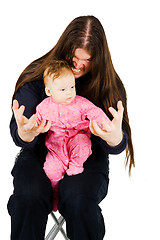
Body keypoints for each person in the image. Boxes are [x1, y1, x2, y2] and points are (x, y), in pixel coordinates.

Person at [7, 15, 135, 240]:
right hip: (40, 154)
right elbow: (20, 130)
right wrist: (26, 134)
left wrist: (115, 138)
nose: (77, 65)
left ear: (99, 59)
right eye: (73, 56)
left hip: (86, 156)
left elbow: (118, 141)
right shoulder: (38, 75)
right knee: (28, 195)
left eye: (86, 60)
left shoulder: (109, 85)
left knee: (78, 198)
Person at [36, 60, 110, 212]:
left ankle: (76, 165)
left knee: (82, 144)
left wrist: (106, 124)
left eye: (72, 86)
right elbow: (35, 121)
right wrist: (33, 127)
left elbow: (94, 112)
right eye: (63, 89)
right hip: (56, 146)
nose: (70, 92)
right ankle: (55, 196)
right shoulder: (44, 107)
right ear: (49, 92)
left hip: (77, 137)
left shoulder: (80, 103)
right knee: (51, 169)